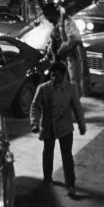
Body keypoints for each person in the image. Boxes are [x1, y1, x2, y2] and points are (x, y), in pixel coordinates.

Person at [30, 61, 86, 198]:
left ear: (64, 75)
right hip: (48, 126)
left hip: (65, 127)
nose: (55, 79)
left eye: (58, 76)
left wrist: (81, 124)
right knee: (47, 153)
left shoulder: (71, 89)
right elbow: (35, 106)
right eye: (53, 75)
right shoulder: (43, 88)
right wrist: (34, 123)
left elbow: (77, 108)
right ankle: (47, 178)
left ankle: (71, 184)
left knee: (67, 156)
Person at [43, 1, 90, 99]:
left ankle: (74, 108)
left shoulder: (68, 21)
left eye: (48, 16)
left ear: (53, 14)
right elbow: (55, 40)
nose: (47, 19)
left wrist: (61, 50)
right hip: (64, 61)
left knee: (73, 84)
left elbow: (75, 39)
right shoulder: (57, 24)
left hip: (73, 58)